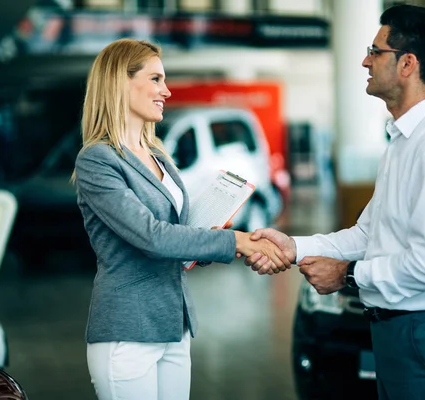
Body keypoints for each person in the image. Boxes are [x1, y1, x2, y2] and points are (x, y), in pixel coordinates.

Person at [246, 5, 425, 400]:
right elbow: (368, 233)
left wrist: (347, 275)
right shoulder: (403, 142)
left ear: (407, 64)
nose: (364, 61)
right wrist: (294, 246)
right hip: (400, 329)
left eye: (375, 51)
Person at [72, 38, 290, 400]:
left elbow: (178, 233)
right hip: (128, 329)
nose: (167, 91)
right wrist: (234, 241)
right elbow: (151, 236)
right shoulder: (97, 160)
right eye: (155, 79)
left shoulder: (159, 156)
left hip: (174, 323)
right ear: (120, 82)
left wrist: (209, 238)